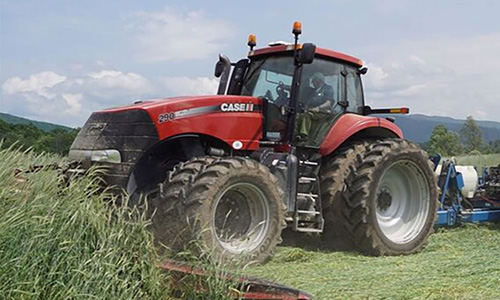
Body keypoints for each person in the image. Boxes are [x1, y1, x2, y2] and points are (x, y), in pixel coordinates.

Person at [296, 72, 334, 144]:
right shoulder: (313, 91)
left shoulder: (328, 89)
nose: (312, 82)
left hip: (323, 111)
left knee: (307, 114)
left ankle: (303, 135)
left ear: (320, 81)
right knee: (298, 115)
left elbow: (328, 103)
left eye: (314, 80)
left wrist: (318, 108)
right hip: (313, 110)